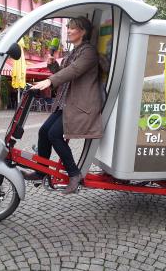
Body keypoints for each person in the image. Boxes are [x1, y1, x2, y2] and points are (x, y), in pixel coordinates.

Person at [22, 16, 103, 195]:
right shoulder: (74, 51)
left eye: (72, 28)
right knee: (44, 132)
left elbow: (74, 71)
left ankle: (74, 174)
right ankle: (41, 171)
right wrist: (53, 68)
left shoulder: (88, 52)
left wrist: (50, 80)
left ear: (82, 31)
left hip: (81, 106)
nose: (68, 30)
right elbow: (65, 74)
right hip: (66, 103)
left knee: (54, 135)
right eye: (68, 27)